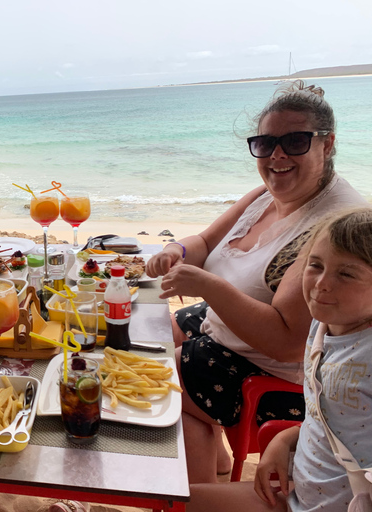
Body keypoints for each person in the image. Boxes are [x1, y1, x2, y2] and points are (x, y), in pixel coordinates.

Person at [145, 81, 369, 483]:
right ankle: (211, 462)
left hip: (273, 372)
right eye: (266, 144)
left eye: (295, 141)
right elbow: (206, 241)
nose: (278, 155)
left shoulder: (333, 225)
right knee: (145, 329)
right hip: (226, 323)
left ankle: (197, 492)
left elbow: (285, 343)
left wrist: (207, 285)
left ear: (327, 144)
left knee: (150, 373)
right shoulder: (266, 194)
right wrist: (176, 251)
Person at [188, 207, 372, 511]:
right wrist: (285, 440)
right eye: (315, 265)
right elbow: (332, 417)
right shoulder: (322, 326)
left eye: (347, 274)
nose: (321, 283)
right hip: (295, 496)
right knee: (183, 501)